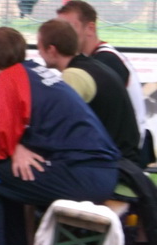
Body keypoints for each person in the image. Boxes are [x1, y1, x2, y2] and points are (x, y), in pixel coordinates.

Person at [0, 27, 119, 245]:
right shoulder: (36, 72)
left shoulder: (10, 77)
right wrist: (17, 147)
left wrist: (12, 147)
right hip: (97, 169)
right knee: (6, 176)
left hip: (82, 173)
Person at [56, 0, 153, 167]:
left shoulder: (105, 61)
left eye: (69, 28)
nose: (63, 36)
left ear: (90, 28)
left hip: (125, 155)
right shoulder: (95, 60)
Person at [37, 19, 140, 165]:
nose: (39, 53)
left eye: (39, 47)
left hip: (111, 163)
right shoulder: (91, 64)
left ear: (51, 50)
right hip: (122, 156)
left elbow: (56, 125)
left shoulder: (73, 75)